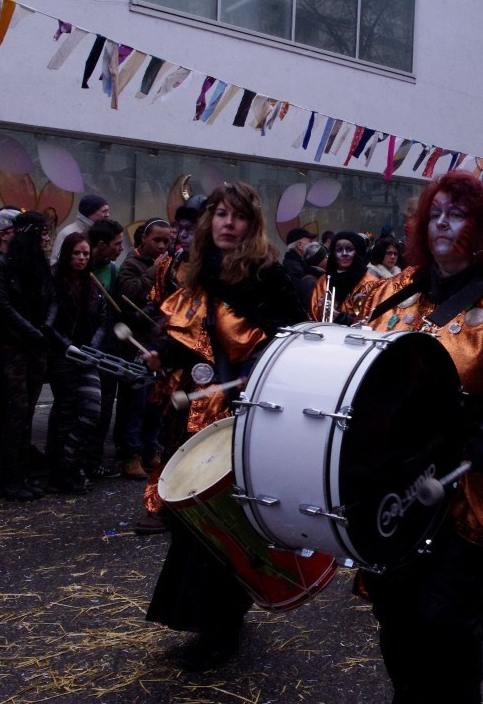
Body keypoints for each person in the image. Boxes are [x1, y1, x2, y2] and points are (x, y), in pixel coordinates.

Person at [355, 171, 483, 703]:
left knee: (448, 621)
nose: (442, 223)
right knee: (395, 612)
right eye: (435, 213)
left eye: (457, 214)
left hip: (469, 487)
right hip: (391, 485)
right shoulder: (390, 294)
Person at [142, 182, 306, 671]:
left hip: (242, 418)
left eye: (238, 216)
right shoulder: (198, 274)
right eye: (220, 215)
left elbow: (292, 340)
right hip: (192, 418)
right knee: (188, 519)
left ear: (252, 226)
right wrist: (161, 354)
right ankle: (203, 619)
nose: (227, 224)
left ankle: (223, 626)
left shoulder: (268, 277)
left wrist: (252, 377)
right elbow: (190, 338)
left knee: (225, 525)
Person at [0, 210, 53, 501]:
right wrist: (33, 331)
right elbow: (2, 305)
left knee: (26, 412)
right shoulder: (1, 264)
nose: (48, 239)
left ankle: (21, 475)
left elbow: (52, 299)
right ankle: (10, 477)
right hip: (13, 346)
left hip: (34, 345)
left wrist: (45, 329)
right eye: (43, 234)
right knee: (15, 411)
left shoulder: (39, 265)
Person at [43, 233, 109, 495]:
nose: (82, 258)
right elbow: (49, 323)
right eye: (77, 254)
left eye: (85, 254)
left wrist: (92, 346)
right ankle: (62, 471)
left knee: (92, 411)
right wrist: (67, 346)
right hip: (64, 358)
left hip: (86, 356)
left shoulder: (91, 284)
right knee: (67, 412)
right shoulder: (56, 283)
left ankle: (68, 465)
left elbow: (103, 319)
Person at [115, 218, 172, 479]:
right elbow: (130, 295)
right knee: (135, 401)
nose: (162, 246)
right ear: (143, 239)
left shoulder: (169, 265)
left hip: (158, 338)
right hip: (136, 341)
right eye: (156, 240)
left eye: (166, 241)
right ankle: (131, 455)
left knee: (155, 400)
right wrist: (154, 271)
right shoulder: (131, 264)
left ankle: (151, 451)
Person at [83, 219, 126, 480]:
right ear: (101, 245)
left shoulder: (112, 271)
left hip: (108, 346)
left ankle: (94, 459)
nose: (121, 248)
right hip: (83, 345)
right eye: (117, 244)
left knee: (105, 404)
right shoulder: (80, 264)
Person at [308, 231, 378, 323]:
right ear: (333, 254)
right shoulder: (323, 281)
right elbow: (313, 316)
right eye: (339, 250)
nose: (344, 254)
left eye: (349, 249)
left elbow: (372, 320)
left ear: (357, 252)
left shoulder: (369, 283)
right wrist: (321, 309)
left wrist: (343, 318)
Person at [50, 194, 109, 266]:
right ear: (91, 211)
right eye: (104, 211)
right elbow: (55, 264)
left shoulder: (103, 233)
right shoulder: (67, 233)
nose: (107, 215)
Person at [297, 240, 328, 313]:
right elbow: (313, 312)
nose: (328, 259)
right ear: (319, 260)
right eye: (326, 256)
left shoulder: (316, 278)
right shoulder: (310, 282)